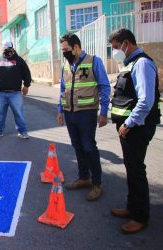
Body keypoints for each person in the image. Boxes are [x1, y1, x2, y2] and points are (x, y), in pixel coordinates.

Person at [108, 29, 161, 234]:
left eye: (114, 47)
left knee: (136, 171)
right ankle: (132, 208)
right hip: (130, 128)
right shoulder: (130, 64)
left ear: (126, 44)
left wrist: (129, 124)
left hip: (137, 128)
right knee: (132, 169)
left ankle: (140, 217)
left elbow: (146, 100)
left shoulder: (142, 64)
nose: (114, 51)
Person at [57, 33, 110, 201]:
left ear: (76, 47)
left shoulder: (94, 61)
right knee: (77, 146)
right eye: (62, 50)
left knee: (89, 147)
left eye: (66, 49)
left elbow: (104, 87)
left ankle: (97, 183)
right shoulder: (66, 65)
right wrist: (60, 110)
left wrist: (103, 112)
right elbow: (62, 90)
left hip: (87, 113)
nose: (64, 53)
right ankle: (84, 177)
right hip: (69, 113)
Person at [0, 41, 32, 139]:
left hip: (15, 93)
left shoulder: (19, 61)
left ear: (12, 49)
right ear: (3, 50)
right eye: (5, 50)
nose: (7, 52)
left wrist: (26, 86)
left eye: (9, 49)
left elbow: (27, 73)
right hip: (1, 94)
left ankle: (23, 132)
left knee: (18, 113)